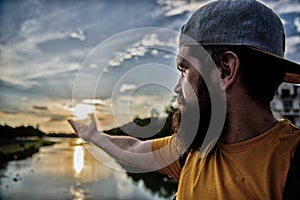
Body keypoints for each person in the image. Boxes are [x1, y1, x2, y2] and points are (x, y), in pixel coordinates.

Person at [68, 0, 300, 199]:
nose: (177, 88)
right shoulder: (193, 149)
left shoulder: (290, 162)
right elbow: (134, 148)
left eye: (184, 69)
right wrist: (93, 136)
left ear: (225, 71)